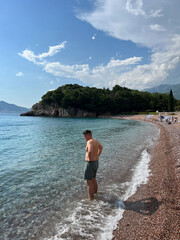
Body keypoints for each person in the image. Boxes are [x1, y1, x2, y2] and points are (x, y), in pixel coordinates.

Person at [83, 130, 103, 200]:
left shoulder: (90, 141)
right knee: (93, 179)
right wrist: (98, 155)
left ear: (88, 135)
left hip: (90, 163)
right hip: (96, 162)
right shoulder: (95, 140)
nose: (84, 138)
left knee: (89, 182)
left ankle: (91, 199)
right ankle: (95, 194)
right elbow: (101, 147)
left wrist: (88, 158)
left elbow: (90, 150)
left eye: (85, 136)